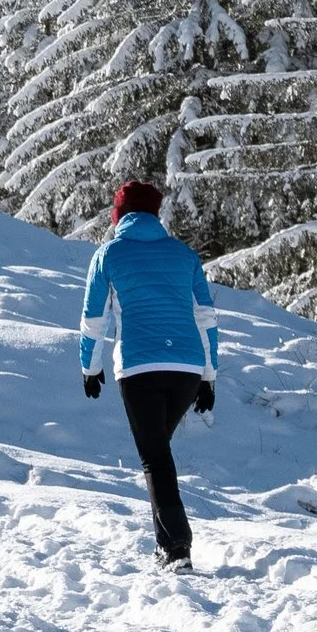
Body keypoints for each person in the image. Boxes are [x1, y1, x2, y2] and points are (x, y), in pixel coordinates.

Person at [79, 180, 218, 569]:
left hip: (139, 368)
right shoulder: (185, 255)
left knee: (155, 457)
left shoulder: (109, 255)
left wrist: (90, 367)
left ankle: (177, 547)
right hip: (187, 369)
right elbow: (206, 318)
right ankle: (167, 545)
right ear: (156, 214)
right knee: (158, 454)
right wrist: (209, 376)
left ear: (118, 215)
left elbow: (94, 320)